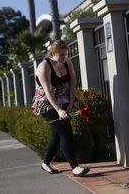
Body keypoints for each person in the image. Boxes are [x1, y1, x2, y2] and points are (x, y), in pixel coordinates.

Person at [35, 40, 89, 177]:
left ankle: (45, 163)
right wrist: (59, 110)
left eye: (66, 54)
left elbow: (73, 83)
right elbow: (47, 90)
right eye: (61, 55)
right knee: (66, 133)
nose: (64, 57)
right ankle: (75, 167)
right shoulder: (44, 66)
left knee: (57, 135)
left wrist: (70, 103)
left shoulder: (68, 62)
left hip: (64, 101)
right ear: (53, 53)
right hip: (47, 104)